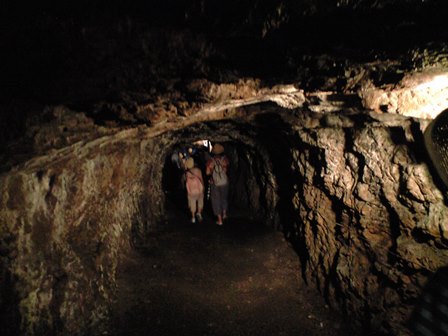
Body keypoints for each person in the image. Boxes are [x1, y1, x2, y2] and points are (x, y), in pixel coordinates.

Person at [206, 143, 230, 226]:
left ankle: (219, 220)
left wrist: (212, 172)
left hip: (215, 183)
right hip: (224, 182)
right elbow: (226, 170)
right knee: (224, 198)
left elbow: (207, 172)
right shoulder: (225, 159)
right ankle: (224, 214)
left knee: (216, 200)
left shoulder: (210, 161)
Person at [184, 157, 204, 223]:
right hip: (199, 189)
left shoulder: (187, 173)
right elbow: (201, 179)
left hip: (191, 191)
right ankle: (199, 213)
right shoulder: (198, 170)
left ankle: (193, 218)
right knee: (200, 201)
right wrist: (203, 187)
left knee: (192, 203)